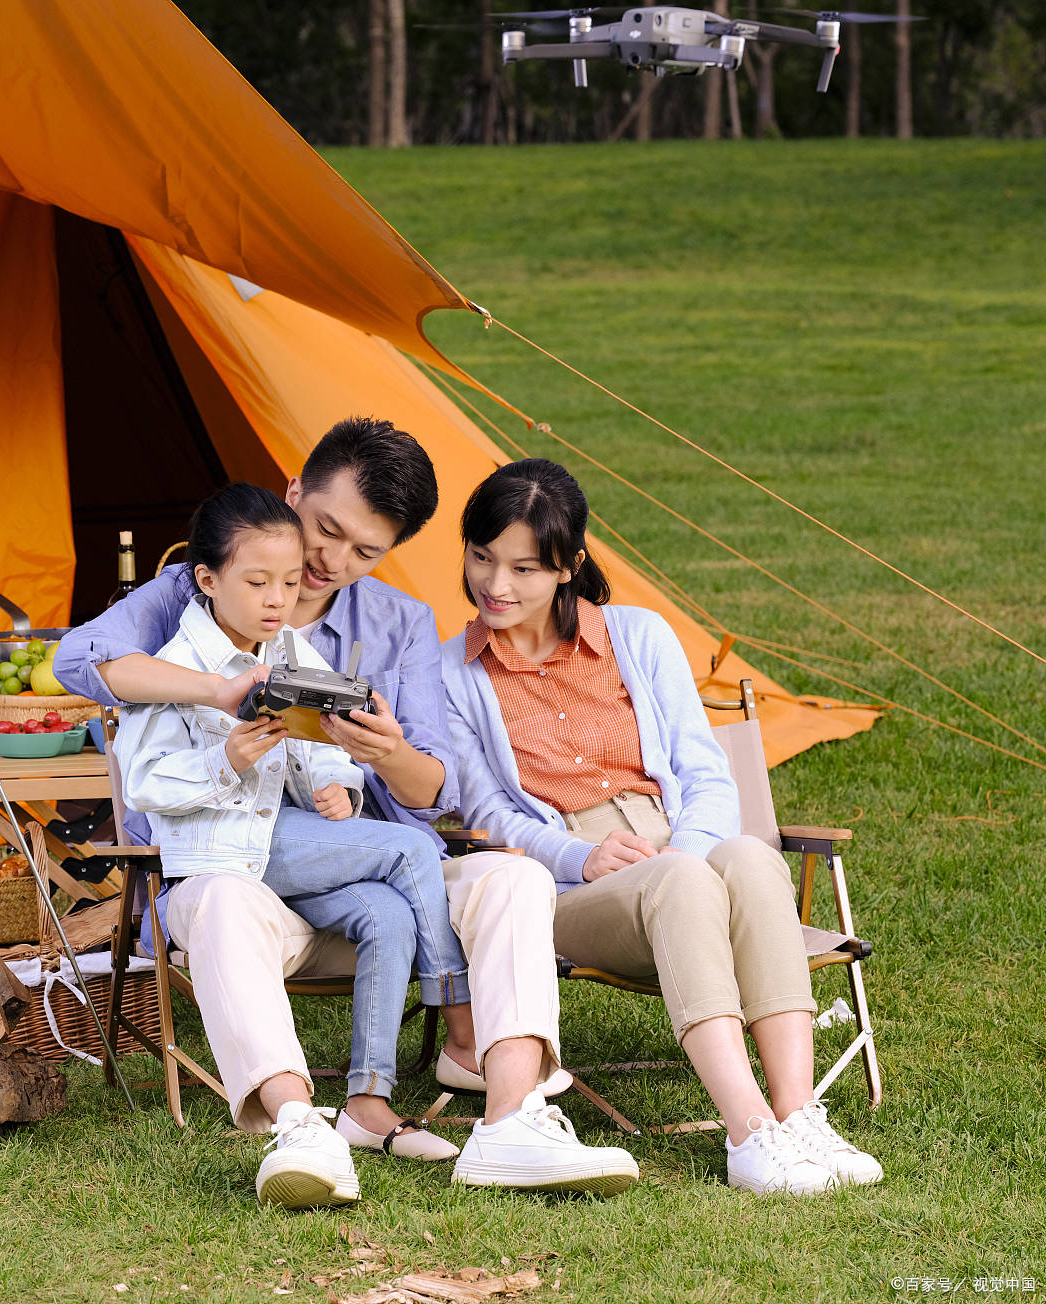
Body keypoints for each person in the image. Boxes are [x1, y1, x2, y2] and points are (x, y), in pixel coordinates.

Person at [59, 418, 638, 1197]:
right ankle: (300, 1126)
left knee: (514, 879)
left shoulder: (397, 623)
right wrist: (220, 691)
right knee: (225, 900)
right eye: (325, 529)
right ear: (294, 490)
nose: (330, 562)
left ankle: (510, 1119)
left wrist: (383, 753)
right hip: (237, 866)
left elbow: (433, 791)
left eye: (365, 551)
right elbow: (77, 661)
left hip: (367, 865)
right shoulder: (198, 586)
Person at [441, 458, 884, 1195]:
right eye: (482, 557)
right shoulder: (454, 672)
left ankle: (799, 1115)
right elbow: (488, 810)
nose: (496, 584)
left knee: (749, 858)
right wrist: (579, 856)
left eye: (524, 568)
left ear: (569, 566)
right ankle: (749, 1133)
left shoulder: (639, 637)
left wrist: (683, 851)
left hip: (675, 849)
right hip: (569, 886)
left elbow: (705, 774)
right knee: (681, 877)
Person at [116, 484, 467, 1206]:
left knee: (387, 913)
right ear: (208, 580)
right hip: (226, 852)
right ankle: (461, 1022)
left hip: (287, 840)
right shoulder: (178, 664)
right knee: (410, 852)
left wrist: (339, 782)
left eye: (286, 580)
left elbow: (323, 742)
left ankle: (369, 1105)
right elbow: (143, 783)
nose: (279, 598)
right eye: (257, 583)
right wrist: (225, 760)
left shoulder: (289, 649)